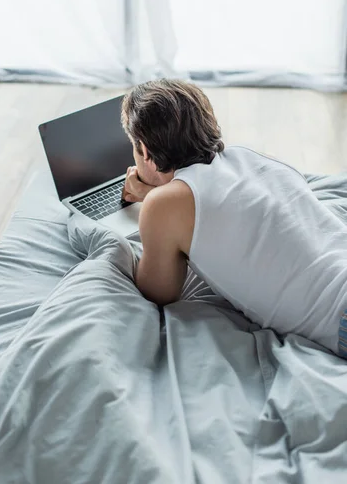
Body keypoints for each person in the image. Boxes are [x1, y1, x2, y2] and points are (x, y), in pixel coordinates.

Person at [120, 78, 347, 358]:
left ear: (143, 149)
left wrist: (151, 202)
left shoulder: (162, 205)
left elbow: (158, 291)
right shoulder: (255, 157)